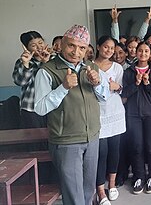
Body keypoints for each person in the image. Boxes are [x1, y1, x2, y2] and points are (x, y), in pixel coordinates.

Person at [34, 25, 110, 205]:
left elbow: (104, 97)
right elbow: (40, 107)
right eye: (71, 46)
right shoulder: (47, 71)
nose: (76, 52)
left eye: (82, 48)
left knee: (88, 189)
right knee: (73, 194)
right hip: (66, 140)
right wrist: (63, 88)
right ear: (61, 45)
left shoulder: (91, 67)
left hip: (92, 136)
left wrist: (97, 83)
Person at [122, 41, 151, 195]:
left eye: (146, 51)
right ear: (135, 53)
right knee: (137, 146)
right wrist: (137, 83)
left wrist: (147, 83)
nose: (143, 54)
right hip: (133, 114)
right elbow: (124, 93)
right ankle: (139, 176)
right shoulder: (128, 71)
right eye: (140, 51)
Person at [94, 36, 126, 205]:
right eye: (106, 47)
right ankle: (100, 190)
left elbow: (120, 88)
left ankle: (112, 185)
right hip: (97, 114)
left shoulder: (117, 67)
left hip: (115, 112)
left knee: (114, 150)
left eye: (112, 48)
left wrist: (117, 87)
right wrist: (110, 87)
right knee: (101, 153)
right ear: (98, 47)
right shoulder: (89, 67)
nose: (109, 51)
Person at [12, 31, 51, 128]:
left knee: (52, 140)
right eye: (33, 45)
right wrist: (26, 64)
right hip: (31, 108)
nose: (39, 47)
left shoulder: (53, 60)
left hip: (52, 107)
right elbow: (20, 82)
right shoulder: (22, 61)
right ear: (27, 48)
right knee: (33, 140)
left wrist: (46, 63)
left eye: (40, 43)